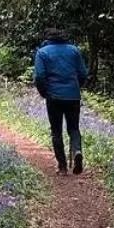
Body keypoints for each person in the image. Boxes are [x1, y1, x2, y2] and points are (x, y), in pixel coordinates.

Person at [32, 29, 89, 174]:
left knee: (56, 131)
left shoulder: (42, 52)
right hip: (73, 96)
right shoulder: (74, 50)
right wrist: (76, 87)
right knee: (74, 129)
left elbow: (39, 76)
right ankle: (77, 151)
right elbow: (83, 73)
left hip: (53, 97)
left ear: (47, 38)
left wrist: (44, 92)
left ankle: (62, 167)